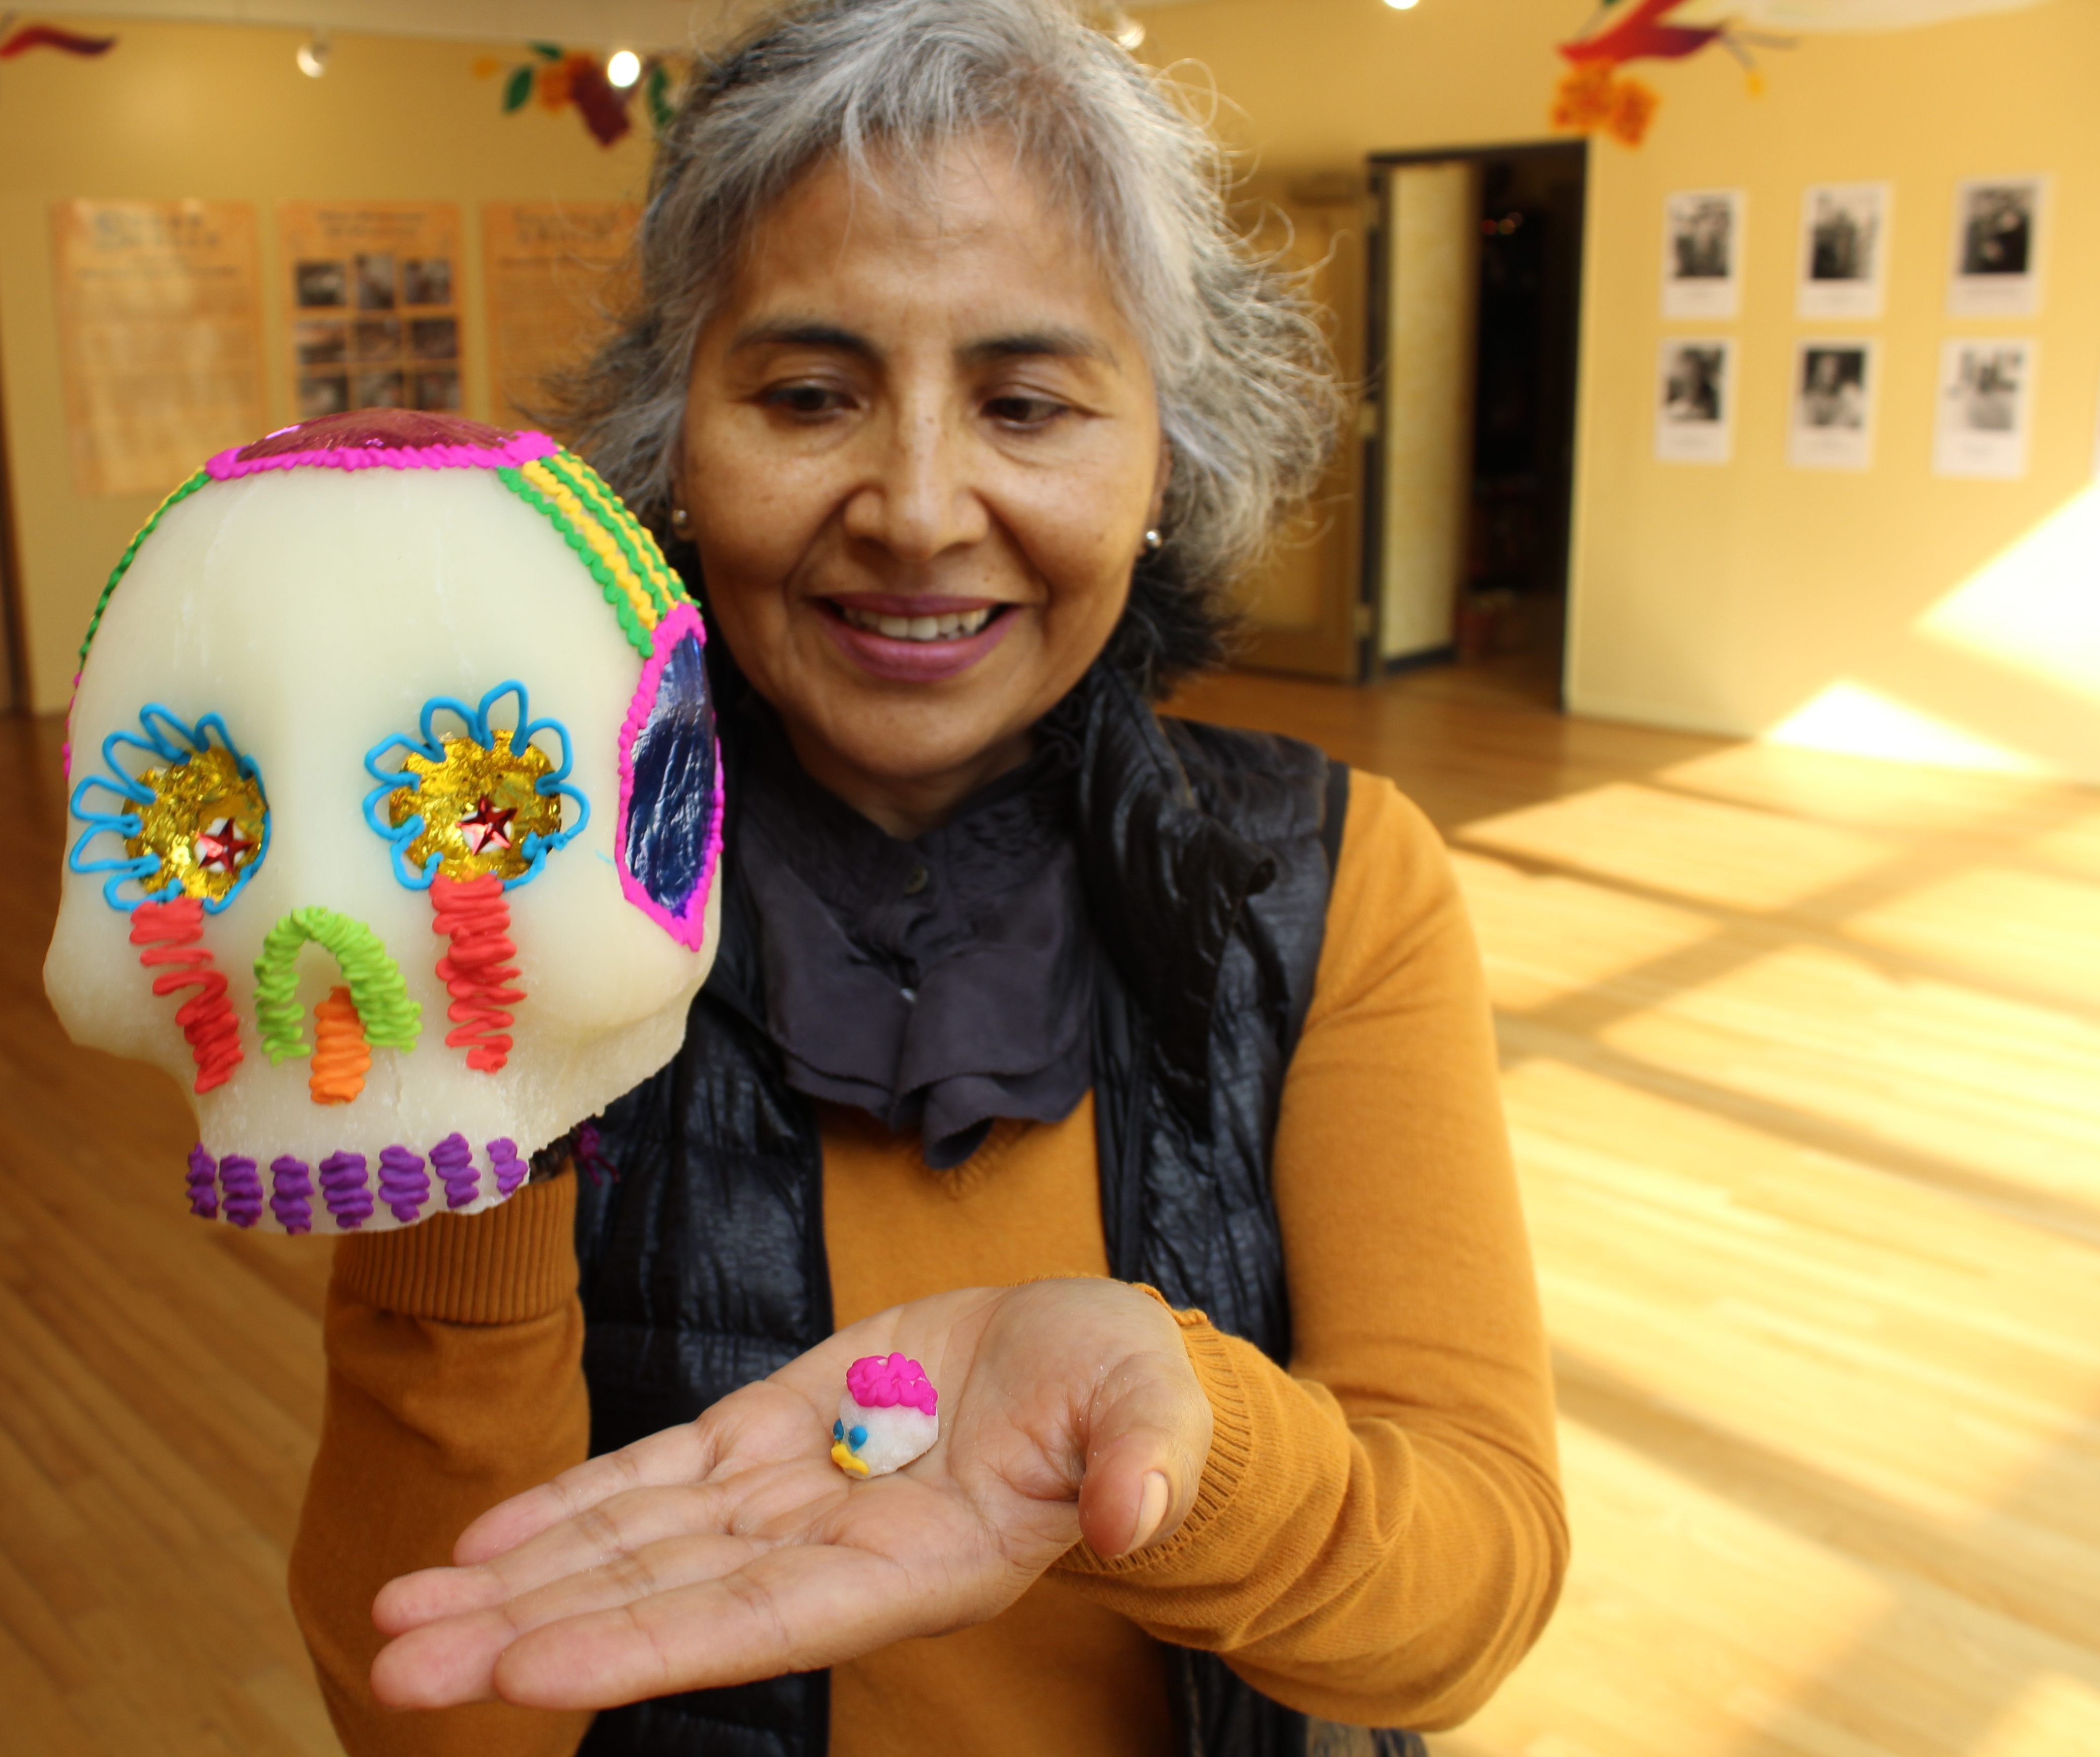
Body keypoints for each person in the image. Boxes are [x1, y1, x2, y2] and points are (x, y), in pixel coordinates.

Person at [287, 4, 1567, 1754]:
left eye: (1026, 402)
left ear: (1162, 459)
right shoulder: (508, 919)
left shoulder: (1339, 887)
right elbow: (438, 1721)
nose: (914, 505)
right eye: (809, 395)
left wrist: (1175, 1436)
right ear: (672, 438)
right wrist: (474, 1102)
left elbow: (1457, 1614)